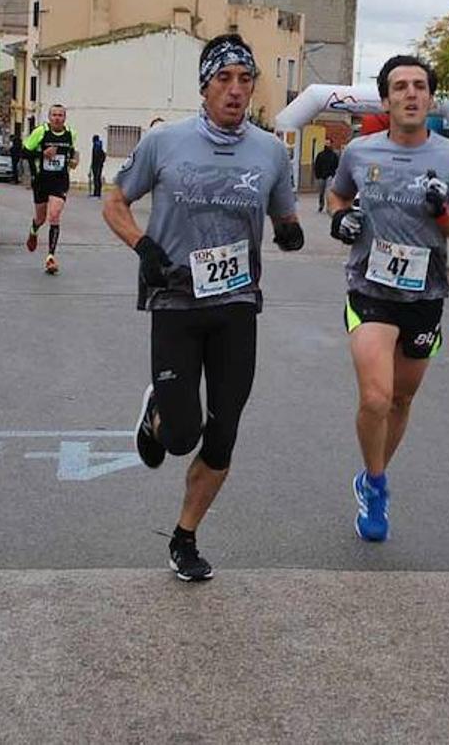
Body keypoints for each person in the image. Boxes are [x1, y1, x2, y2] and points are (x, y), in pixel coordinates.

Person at [102, 33, 303, 582]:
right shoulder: (166, 144)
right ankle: (160, 414)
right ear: (205, 86)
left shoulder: (270, 151)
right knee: (183, 435)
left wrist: (291, 235)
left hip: (237, 301)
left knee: (224, 432)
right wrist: (143, 247)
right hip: (175, 298)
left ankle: (185, 537)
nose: (236, 91)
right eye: (224, 80)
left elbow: (285, 219)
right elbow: (114, 200)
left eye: (246, 80)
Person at [327, 55, 449, 543]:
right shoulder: (359, 152)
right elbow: (338, 197)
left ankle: (371, 473)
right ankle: (375, 487)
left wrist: (442, 217)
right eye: (400, 87)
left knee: (401, 397)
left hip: (426, 293)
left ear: (430, 97)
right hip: (369, 288)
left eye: (420, 86)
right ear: (387, 99)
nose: (411, 94)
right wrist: (340, 220)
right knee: (375, 396)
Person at [22, 105, 79, 275]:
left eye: (60, 115)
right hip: (41, 180)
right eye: (54, 115)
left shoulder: (71, 134)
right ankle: (33, 231)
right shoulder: (41, 132)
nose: (57, 118)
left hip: (60, 181)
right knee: (41, 218)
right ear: (49, 117)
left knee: (54, 216)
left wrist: (74, 160)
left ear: (65, 118)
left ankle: (50, 257)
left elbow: (73, 152)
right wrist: (43, 154)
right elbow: (24, 152)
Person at [312, 141, 339, 213]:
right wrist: (317, 175)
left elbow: (337, 165)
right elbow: (317, 165)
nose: (327, 144)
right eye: (326, 143)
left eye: (328, 143)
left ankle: (329, 206)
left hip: (330, 176)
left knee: (328, 192)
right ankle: (321, 205)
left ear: (331, 144)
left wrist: (333, 174)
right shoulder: (320, 155)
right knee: (321, 192)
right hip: (321, 176)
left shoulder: (334, 155)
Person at [88, 133, 106, 198]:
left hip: (96, 165)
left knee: (96, 178)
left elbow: (96, 156)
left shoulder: (96, 145)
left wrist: (95, 164)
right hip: (98, 165)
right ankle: (97, 192)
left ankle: (97, 193)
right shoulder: (99, 145)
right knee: (97, 178)